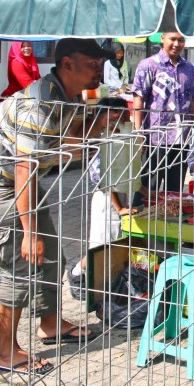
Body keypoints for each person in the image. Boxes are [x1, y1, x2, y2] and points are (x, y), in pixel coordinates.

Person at [0, 38, 115, 375]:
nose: (99, 70)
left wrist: (101, 120)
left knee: (51, 251)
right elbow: (23, 169)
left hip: (16, 179)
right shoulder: (39, 105)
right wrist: (29, 232)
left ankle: (50, 323)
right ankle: (5, 352)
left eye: (101, 64)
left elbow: (70, 143)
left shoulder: (68, 96)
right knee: (19, 264)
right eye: (92, 63)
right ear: (68, 63)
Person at [68, 97, 138, 300]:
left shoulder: (121, 139)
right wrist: (119, 208)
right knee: (101, 247)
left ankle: (113, 286)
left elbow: (129, 173)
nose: (128, 120)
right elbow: (105, 180)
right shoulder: (103, 142)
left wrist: (144, 192)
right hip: (106, 200)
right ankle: (77, 274)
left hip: (120, 196)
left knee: (115, 245)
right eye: (124, 116)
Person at [132, 31, 194, 193]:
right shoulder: (148, 65)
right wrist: (138, 132)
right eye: (172, 39)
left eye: (181, 40)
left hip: (181, 139)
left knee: (174, 191)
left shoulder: (189, 68)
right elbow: (138, 99)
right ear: (163, 38)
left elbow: (193, 101)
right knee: (149, 188)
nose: (176, 44)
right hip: (155, 138)